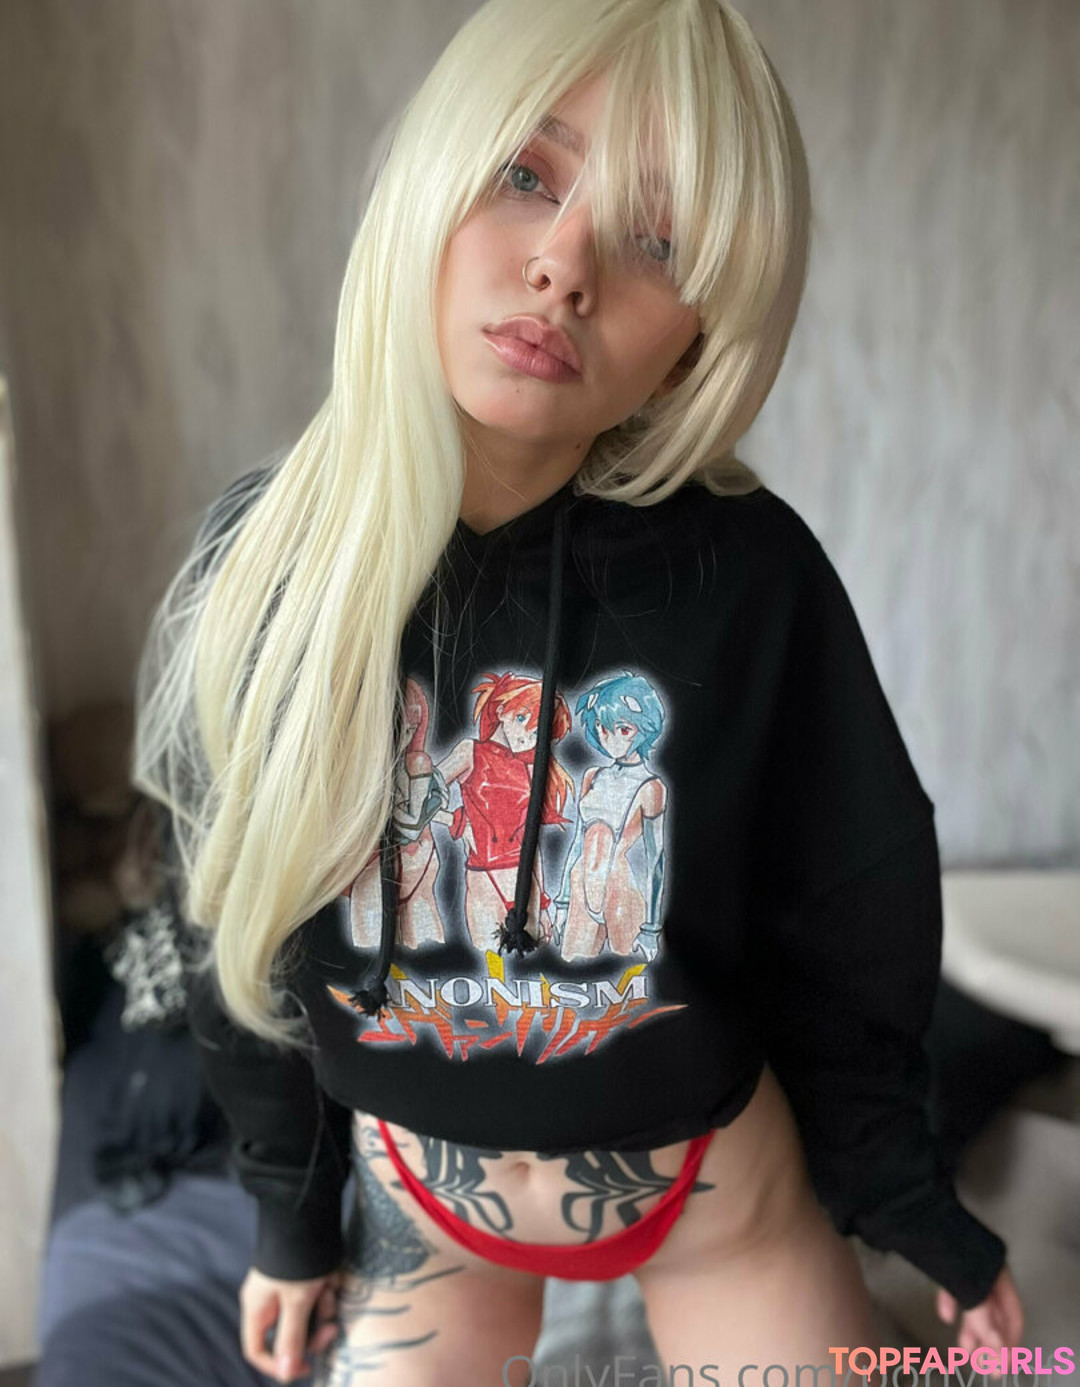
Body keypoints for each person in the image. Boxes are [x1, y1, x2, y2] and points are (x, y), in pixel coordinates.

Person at [131, 1, 1025, 1383]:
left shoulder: (752, 576)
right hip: (425, 1221)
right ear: (429, 179)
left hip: (719, 1207)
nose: (563, 265)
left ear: (701, 334)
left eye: (659, 242)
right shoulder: (266, 571)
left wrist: (907, 1203)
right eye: (524, 174)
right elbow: (228, 934)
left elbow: (852, 920)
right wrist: (288, 1222)